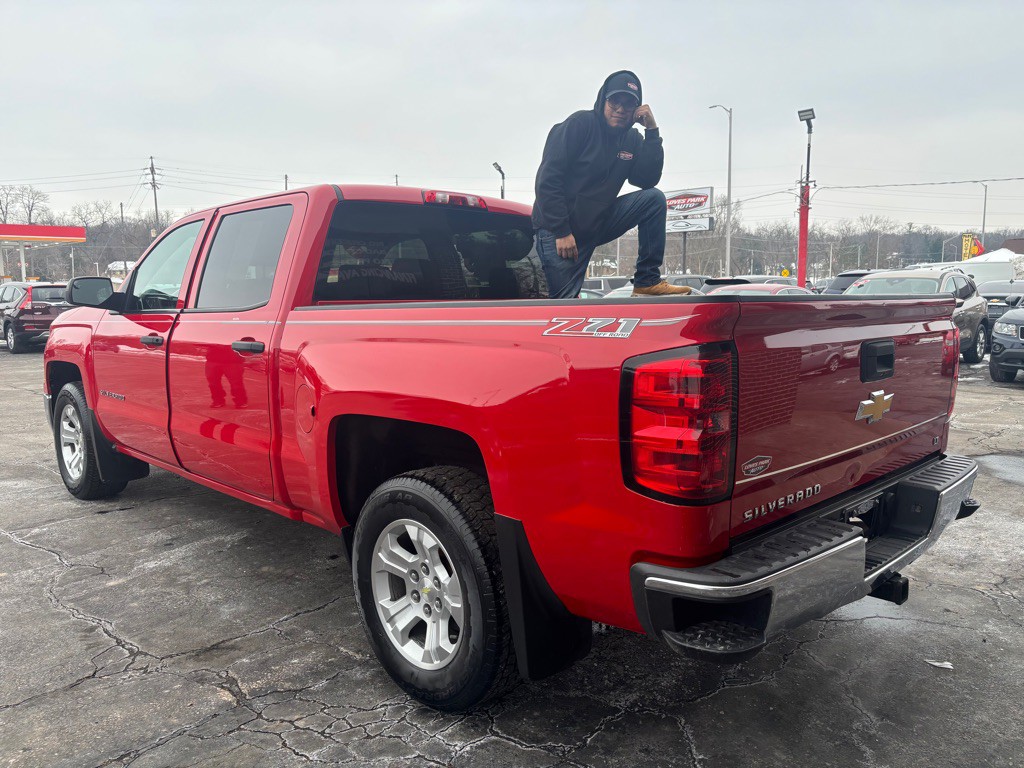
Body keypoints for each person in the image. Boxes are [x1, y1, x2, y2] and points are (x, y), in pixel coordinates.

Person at [532, 70, 692, 299]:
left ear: (636, 109)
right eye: (614, 101)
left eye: (628, 104)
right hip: (560, 231)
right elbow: (547, 180)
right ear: (603, 100)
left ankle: (647, 281)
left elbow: (646, 180)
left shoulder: (632, 140)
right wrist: (562, 231)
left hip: (596, 223)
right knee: (566, 305)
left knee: (653, 199)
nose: (620, 108)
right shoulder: (579, 124)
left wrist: (652, 132)